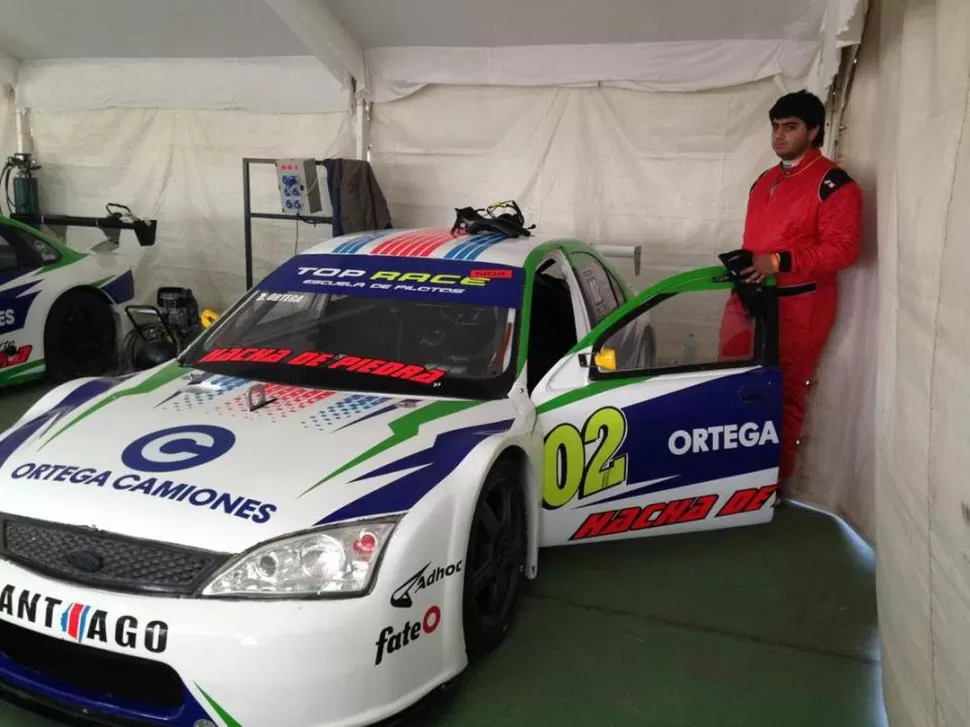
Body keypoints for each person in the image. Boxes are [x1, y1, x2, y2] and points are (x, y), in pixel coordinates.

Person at [719, 89, 863, 501]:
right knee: (732, 380)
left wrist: (778, 261)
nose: (779, 136)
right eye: (775, 127)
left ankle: (771, 484)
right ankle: (734, 471)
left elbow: (844, 249)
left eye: (790, 127)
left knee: (783, 391)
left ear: (814, 130)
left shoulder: (834, 184)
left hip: (801, 304)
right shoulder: (765, 178)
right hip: (749, 297)